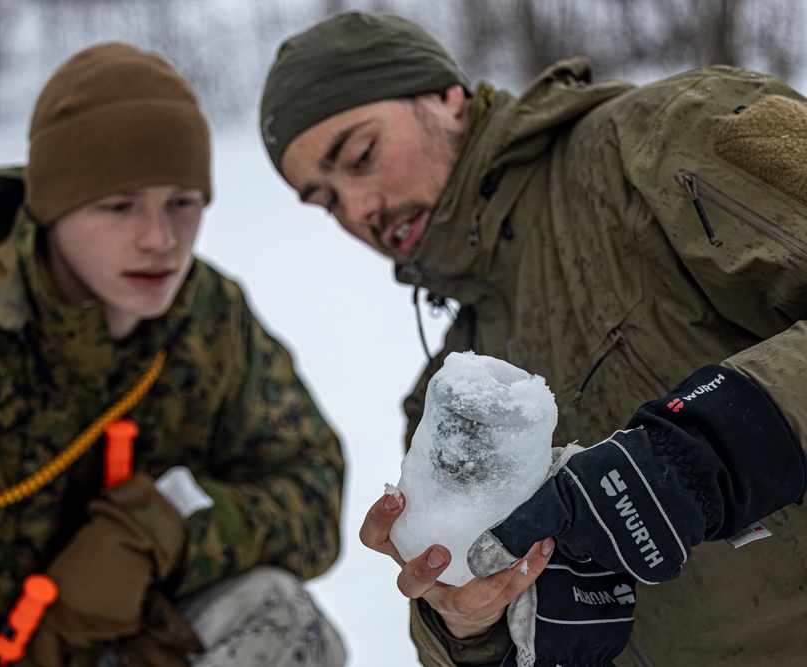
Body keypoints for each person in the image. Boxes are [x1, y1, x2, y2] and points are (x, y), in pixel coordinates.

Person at [259, 11, 807, 667]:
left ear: (445, 95)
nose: (357, 210)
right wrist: (469, 625)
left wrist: (714, 445)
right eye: (324, 200)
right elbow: (468, 624)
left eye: (360, 156)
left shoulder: (661, 139)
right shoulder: (447, 406)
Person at [0, 42, 347, 667]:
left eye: (183, 202)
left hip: (95, 653)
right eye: (118, 207)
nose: (160, 240)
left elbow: (313, 489)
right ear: (52, 208)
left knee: (283, 620)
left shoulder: (208, 318)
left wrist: (165, 531)